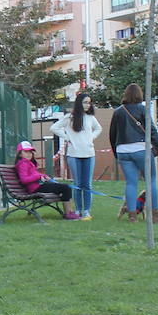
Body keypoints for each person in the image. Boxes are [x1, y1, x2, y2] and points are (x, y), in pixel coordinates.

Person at [108, 83, 158, 220]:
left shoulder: (118, 111)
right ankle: (155, 213)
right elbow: (152, 131)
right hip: (140, 149)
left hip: (122, 151)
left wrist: (117, 153)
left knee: (131, 183)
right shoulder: (142, 109)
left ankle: (132, 215)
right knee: (151, 180)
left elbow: (112, 135)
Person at [51, 92, 102, 220]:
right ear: (79, 103)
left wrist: (91, 138)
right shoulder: (70, 118)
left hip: (89, 154)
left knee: (87, 184)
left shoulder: (91, 118)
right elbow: (54, 128)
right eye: (85, 102)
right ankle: (78, 210)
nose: (88, 105)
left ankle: (86, 211)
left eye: (89, 102)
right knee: (78, 184)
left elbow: (98, 129)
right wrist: (67, 137)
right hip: (74, 154)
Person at [13, 140, 77, 219]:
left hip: (38, 186)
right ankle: (68, 212)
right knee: (65, 188)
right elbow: (24, 180)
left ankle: (69, 212)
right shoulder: (23, 164)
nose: (29, 154)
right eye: (26, 152)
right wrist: (38, 177)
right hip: (35, 189)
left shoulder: (28, 163)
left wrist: (43, 176)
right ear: (20, 154)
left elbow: (34, 175)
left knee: (64, 187)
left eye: (30, 152)